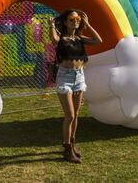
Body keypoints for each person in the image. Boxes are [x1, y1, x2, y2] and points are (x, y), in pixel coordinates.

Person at [49, 9, 102, 163]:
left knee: (76, 114)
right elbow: (54, 39)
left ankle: (72, 144)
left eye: (78, 19)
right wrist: (52, 25)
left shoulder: (79, 38)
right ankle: (66, 150)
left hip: (79, 76)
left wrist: (88, 24)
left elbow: (98, 40)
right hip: (65, 77)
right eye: (72, 19)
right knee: (70, 115)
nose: (75, 21)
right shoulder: (62, 38)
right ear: (65, 22)